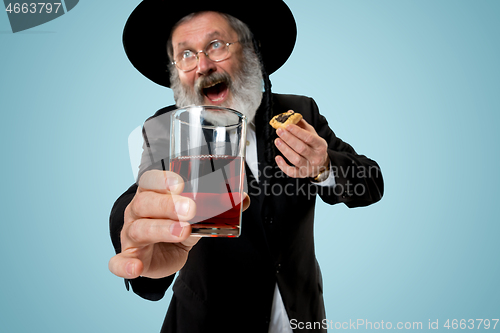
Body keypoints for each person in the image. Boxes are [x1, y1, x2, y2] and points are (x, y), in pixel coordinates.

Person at [109, 1, 384, 332]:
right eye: (186, 54)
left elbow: (370, 182)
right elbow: (141, 196)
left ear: (252, 50)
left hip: (301, 315)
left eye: (215, 45)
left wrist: (324, 166)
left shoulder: (300, 111)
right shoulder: (169, 129)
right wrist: (137, 228)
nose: (204, 65)